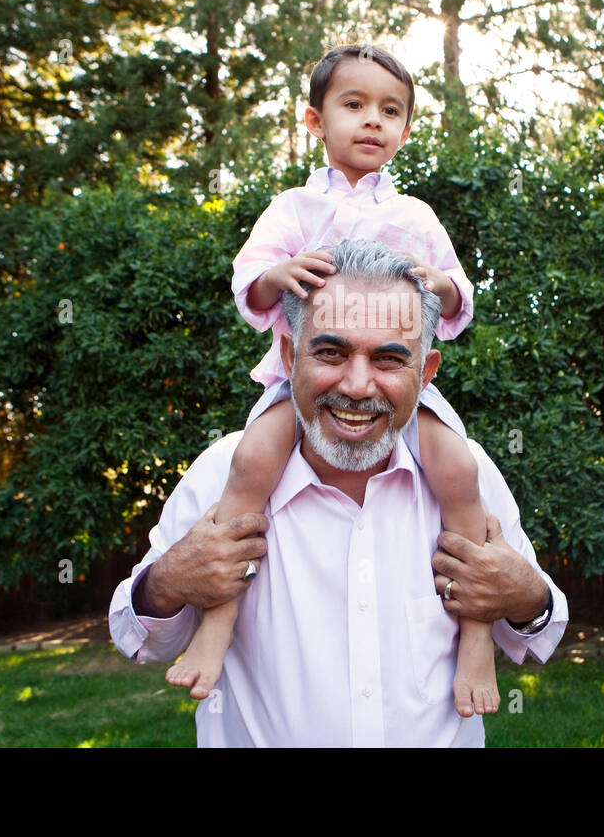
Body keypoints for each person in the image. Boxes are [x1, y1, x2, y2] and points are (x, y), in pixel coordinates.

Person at [108, 239, 568, 746]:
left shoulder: (465, 473)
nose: (356, 385)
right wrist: (169, 581)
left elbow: (539, 633)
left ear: (426, 372)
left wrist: (525, 594)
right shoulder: (225, 471)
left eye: (390, 360)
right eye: (331, 352)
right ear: (288, 356)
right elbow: (140, 641)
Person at [165, 44, 498, 718]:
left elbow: (459, 299)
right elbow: (248, 281)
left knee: (459, 470)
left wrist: (438, 285)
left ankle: (479, 638)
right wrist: (275, 277)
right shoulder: (292, 209)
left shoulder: (416, 218)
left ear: (405, 130)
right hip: (300, 385)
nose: (372, 122)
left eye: (390, 111)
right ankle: (217, 623)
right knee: (252, 463)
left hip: (404, 393)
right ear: (316, 122)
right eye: (354, 106)